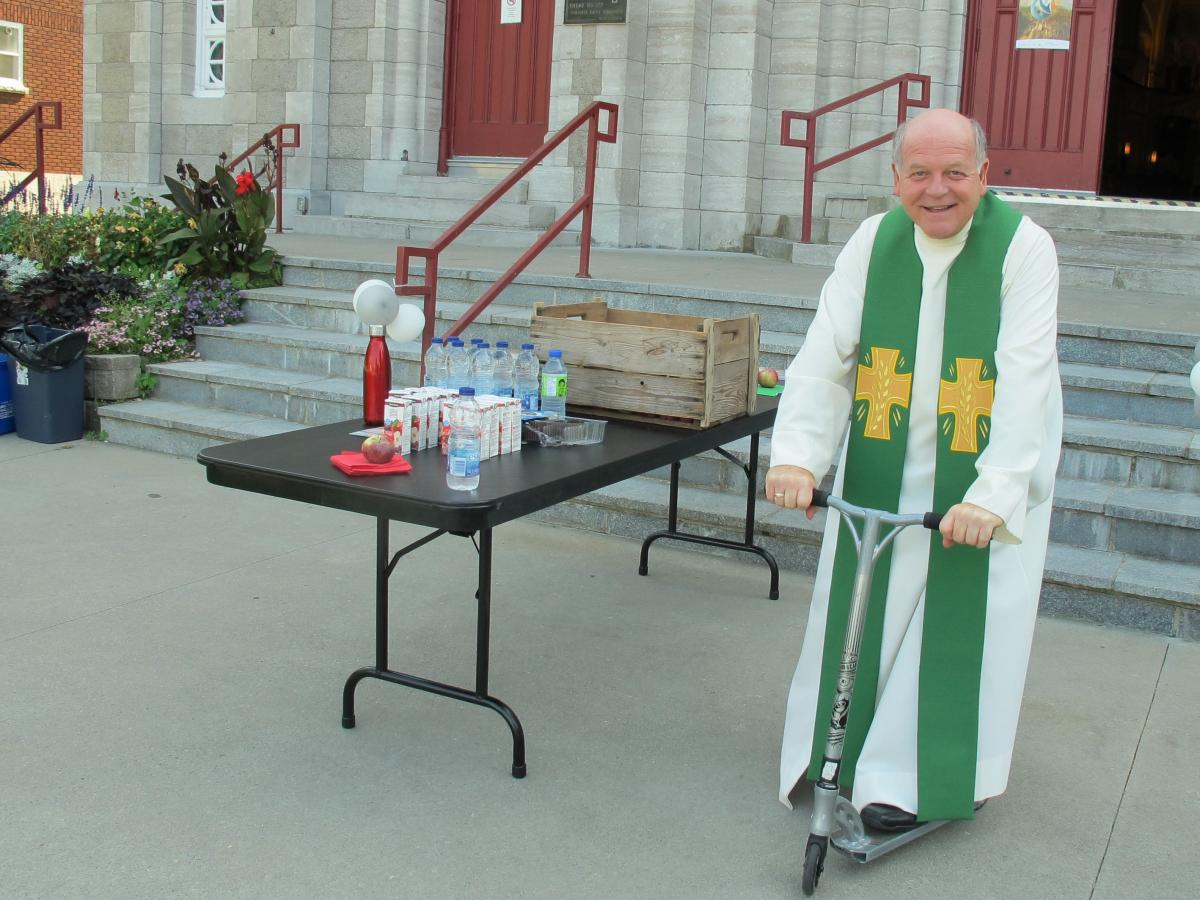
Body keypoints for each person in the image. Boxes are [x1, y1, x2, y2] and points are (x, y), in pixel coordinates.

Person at [766, 108, 1062, 828]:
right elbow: (826, 355)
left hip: (986, 460)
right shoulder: (874, 241)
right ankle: (840, 749)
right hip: (883, 455)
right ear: (895, 177)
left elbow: (1027, 378)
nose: (938, 190)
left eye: (956, 172)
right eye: (920, 173)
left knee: (956, 615)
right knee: (866, 598)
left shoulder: (1025, 249)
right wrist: (799, 457)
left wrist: (994, 494)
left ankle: (912, 776)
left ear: (984, 176)